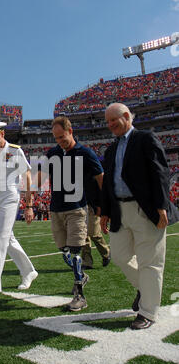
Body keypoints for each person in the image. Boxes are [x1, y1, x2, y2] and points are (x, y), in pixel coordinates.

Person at [100, 103, 179, 329]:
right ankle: (146, 290)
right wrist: (104, 211)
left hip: (146, 209)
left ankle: (148, 313)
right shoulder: (111, 148)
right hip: (120, 210)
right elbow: (108, 183)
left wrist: (161, 205)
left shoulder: (146, 138)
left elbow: (160, 172)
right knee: (120, 256)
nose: (110, 125)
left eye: (113, 120)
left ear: (126, 116)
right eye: (107, 122)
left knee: (150, 262)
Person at [38, 116, 104, 311]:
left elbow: (101, 178)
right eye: (56, 138)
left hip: (77, 209)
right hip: (56, 209)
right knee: (65, 253)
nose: (60, 142)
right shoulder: (52, 153)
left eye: (62, 137)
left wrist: (105, 204)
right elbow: (40, 176)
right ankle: (82, 276)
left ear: (70, 131)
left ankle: (79, 295)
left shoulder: (85, 153)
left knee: (76, 253)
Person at [0, 122, 38, 304]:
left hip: (10, 196)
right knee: (8, 238)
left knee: (0, 239)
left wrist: (29, 205)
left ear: (2, 134)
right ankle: (28, 271)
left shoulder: (15, 150)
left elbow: (27, 175)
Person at [81, 175, 110, 269]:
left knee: (94, 233)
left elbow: (100, 186)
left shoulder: (91, 166)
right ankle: (87, 262)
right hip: (80, 205)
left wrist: (100, 205)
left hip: (93, 205)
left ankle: (106, 253)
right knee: (83, 235)